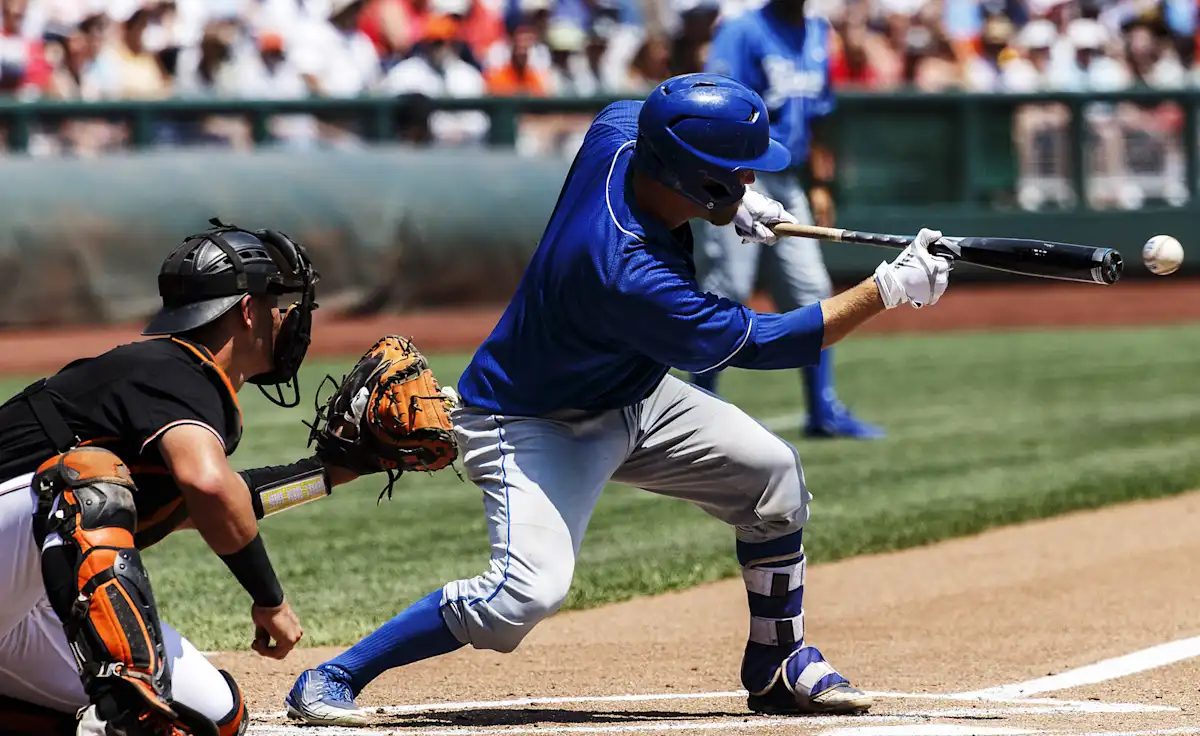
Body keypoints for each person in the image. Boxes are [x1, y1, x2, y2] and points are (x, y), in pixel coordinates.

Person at [285, 73, 951, 725]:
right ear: (693, 175)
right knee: (524, 595)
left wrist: (729, 205)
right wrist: (884, 292)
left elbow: (629, 108)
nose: (752, 181)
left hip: (633, 394)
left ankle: (777, 663)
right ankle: (333, 675)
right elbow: (767, 342)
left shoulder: (620, 138)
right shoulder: (625, 268)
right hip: (531, 423)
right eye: (739, 173)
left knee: (773, 477)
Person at [0, 221, 351, 735]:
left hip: (19, 600)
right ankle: (119, 700)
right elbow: (208, 487)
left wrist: (340, 471)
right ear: (247, 309)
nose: (284, 319)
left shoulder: (176, 385)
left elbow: (220, 498)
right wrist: (270, 600)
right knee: (86, 482)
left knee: (209, 716)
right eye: (276, 304)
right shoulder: (173, 368)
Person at [695, 0, 884, 439]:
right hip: (738, 175)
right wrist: (725, 189)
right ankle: (699, 409)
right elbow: (714, 103)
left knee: (810, 289)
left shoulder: (817, 32)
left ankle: (822, 410)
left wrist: (819, 182)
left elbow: (819, 115)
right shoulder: (741, 31)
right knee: (726, 293)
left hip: (790, 179)